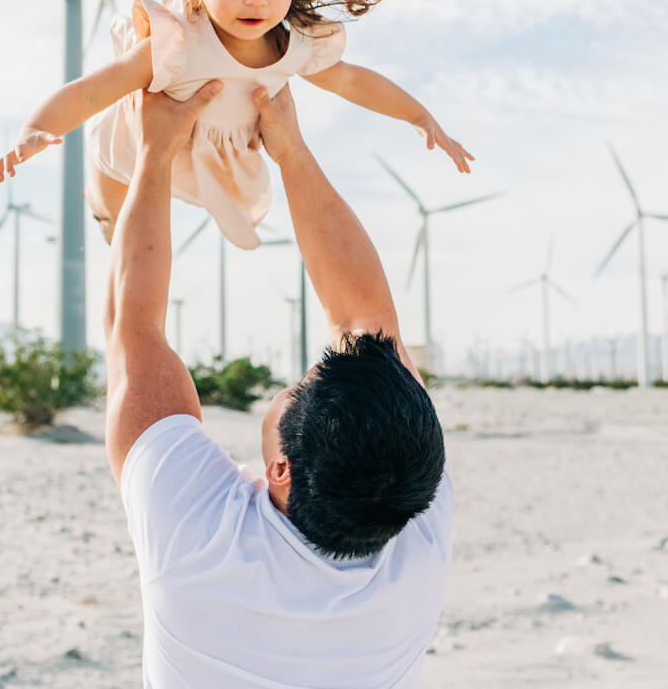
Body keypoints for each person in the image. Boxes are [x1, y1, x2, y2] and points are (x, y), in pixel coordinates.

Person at [104, 77, 453, 688]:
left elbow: (134, 329)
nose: (298, 377)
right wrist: (288, 148)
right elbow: (368, 324)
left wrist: (154, 151)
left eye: (298, 387)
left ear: (282, 469)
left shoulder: (195, 541)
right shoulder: (413, 523)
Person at [0, 0, 474, 249]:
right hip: (134, 151)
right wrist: (35, 127)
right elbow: (95, 88)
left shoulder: (294, 47)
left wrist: (420, 115)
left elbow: (353, 82)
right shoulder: (176, 41)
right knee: (122, 230)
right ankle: (105, 221)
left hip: (215, 164)